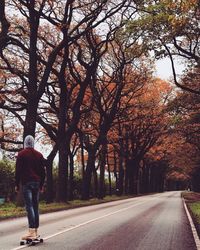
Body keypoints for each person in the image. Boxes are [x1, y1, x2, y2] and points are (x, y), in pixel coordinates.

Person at [15, 135, 46, 240]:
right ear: (33, 143)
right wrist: (41, 185)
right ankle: (35, 231)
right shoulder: (39, 155)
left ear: (25, 143)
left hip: (26, 182)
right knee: (35, 206)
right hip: (37, 183)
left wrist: (16, 184)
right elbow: (43, 172)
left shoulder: (21, 154)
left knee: (29, 206)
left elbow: (18, 171)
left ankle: (31, 231)